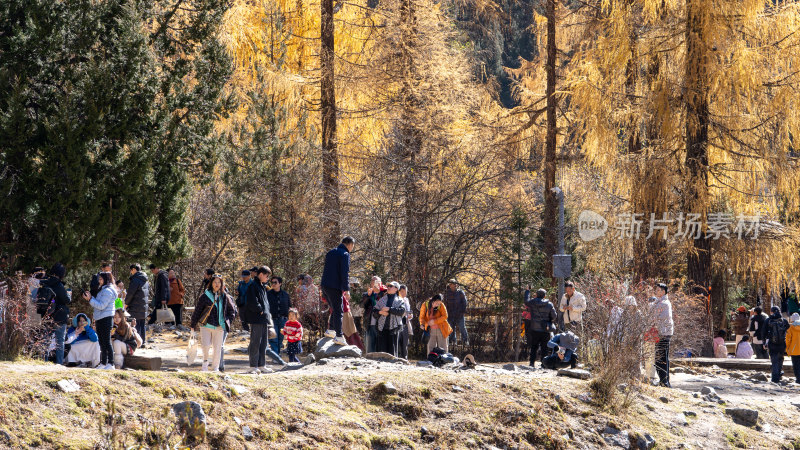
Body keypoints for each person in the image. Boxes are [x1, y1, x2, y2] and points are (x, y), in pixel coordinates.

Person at [190, 275, 237, 372]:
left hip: (220, 327)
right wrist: (193, 324)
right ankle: (205, 363)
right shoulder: (205, 296)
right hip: (206, 325)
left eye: (219, 282)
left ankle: (215, 367)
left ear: (222, 284)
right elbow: (198, 310)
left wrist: (227, 322)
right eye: (215, 282)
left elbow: (232, 311)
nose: (217, 284)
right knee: (205, 346)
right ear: (211, 283)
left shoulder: (225, 297)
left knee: (217, 348)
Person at [245, 266, 284, 372]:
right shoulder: (253, 286)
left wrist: (266, 314)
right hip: (257, 318)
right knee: (255, 342)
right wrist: (260, 310)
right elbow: (252, 301)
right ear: (261, 274)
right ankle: (253, 366)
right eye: (267, 276)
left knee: (264, 343)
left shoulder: (262, 286)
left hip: (264, 319)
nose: (268, 278)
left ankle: (261, 365)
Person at [320, 236, 354, 346]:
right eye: (352, 246)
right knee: (339, 310)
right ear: (349, 244)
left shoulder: (330, 252)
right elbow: (344, 273)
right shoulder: (345, 254)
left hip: (325, 285)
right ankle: (339, 336)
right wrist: (346, 289)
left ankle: (331, 330)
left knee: (335, 308)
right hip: (335, 286)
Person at [84, 272, 117, 370]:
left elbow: (101, 306)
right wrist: (91, 298)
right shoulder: (103, 290)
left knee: (106, 342)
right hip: (100, 318)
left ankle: (111, 363)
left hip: (106, 318)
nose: (99, 281)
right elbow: (98, 303)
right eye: (99, 279)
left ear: (107, 279)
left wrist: (90, 299)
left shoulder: (108, 291)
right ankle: (103, 363)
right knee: (102, 342)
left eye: (101, 279)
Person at [40, 263, 71, 364]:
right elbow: (66, 300)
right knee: (59, 341)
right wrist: (69, 295)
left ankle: (42, 362)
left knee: (45, 340)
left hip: (46, 315)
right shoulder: (59, 285)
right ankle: (59, 364)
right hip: (59, 316)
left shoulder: (44, 282)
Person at [371, 282, 407, 356]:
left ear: (396, 289)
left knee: (392, 351)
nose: (388, 287)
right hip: (382, 328)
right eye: (388, 286)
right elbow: (374, 311)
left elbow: (402, 311)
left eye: (391, 286)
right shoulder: (382, 299)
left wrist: (389, 309)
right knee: (382, 350)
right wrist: (380, 312)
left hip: (394, 328)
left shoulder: (400, 300)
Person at [525, 287, 557, 368]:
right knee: (544, 348)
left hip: (534, 328)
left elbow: (526, 301)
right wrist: (549, 320)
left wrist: (527, 291)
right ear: (544, 296)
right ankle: (544, 364)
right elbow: (554, 316)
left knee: (534, 347)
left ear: (536, 295)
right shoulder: (549, 304)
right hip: (545, 329)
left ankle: (532, 363)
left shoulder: (532, 302)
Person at [652, 283, 673, 388]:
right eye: (656, 290)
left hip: (663, 333)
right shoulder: (659, 302)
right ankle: (663, 380)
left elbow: (659, 317)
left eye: (659, 290)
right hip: (660, 332)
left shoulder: (664, 303)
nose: (657, 291)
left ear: (664, 291)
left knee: (662, 357)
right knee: (659, 357)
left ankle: (665, 381)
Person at [124, 264, 150, 345]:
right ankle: (143, 342)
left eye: (131, 270)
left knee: (135, 324)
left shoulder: (135, 279)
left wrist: (126, 304)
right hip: (143, 306)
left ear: (134, 269)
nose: (130, 272)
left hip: (135, 306)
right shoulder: (145, 279)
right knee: (142, 324)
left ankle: (136, 343)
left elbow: (130, 294)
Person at [267, 276, 292, 355]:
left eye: (275, 282)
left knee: (281, 338)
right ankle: (276, 354)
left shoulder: (285, 294)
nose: (273, 284)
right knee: (274, 338)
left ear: (280, 283)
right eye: (272, 282)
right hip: (272, 319)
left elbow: (289, 306)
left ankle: (277, 352)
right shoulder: (268, 294)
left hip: (283, 319)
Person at [765, 306, 789, 383]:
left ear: (772, 312)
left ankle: (775, 378)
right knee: (780, 358)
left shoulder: (768, 320)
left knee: (774, 360)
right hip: (782, 343)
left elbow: (764, 331)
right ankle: (778, 373)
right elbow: (787, 329)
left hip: (772, 343)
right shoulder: (784, 320)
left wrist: (763, 342)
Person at [362, 276, 385, 353]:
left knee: (380, 345)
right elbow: (363, 305)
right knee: (369, 345)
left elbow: (384, 304)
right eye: (373, 281)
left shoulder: (384, 293)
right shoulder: (366, 294)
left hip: (381, 323)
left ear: (380, 283)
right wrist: (368, 296)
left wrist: (378, 293)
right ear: (371, 283)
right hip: (369, 322)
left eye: (377, 281)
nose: (375, 283)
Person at [444, 279, 468, 346]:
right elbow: (445, 304)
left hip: (459, 314)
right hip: (450, 314)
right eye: (450, 284)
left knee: (462, 327)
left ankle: (465, 341)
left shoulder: (460, 292)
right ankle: (452, 342)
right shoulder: (447, 293)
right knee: (451, 329)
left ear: (456, 285)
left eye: (453, 284)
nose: (451, 285)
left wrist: (462, 311)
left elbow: (464, 303)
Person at [398, 285, 413, 360]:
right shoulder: (396, 299)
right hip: (397, 324)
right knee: (398, 342)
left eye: (405, 292)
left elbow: (409, 311)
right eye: (402, 292)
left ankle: (405, 358)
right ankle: (397, 358)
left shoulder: (406, 300)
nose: (404, 294)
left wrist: (410, 315)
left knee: (405, 343)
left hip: (405, 323)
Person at [785, 313, 800, 384]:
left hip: (794, 350)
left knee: (796, 365)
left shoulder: (791, 328)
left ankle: (798, 379)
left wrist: (788, 349)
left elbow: (787, 340)